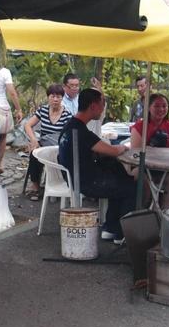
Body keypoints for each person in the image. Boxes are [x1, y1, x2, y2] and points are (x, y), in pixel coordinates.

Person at [58, 88, 135, 243]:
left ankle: (110, 228)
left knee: (119, 175)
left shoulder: (70, 126)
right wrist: (125, 146)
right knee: (131, 188)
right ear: (93, 106)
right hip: (85, 182)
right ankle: (120, 233)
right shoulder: (80, 131)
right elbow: (113, 151)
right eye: (102, 104)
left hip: (75, 177)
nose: (103, 109)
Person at [129, 93, 169, 208]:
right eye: (157, 106)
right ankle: (144, 212)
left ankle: (165, 214)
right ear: (148, 107)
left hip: (166, 168)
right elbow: (135, 153)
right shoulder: (139, 127)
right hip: (143, 167)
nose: (161, 109)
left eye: (164, 106)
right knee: (141, 179)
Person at [24, 84, 73, 201]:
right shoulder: (43, 110)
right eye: (53, 96)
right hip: (44, 144)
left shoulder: (67, 114)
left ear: (62, 98)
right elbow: (28, 125)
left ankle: (61, 184)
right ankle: (35, 187)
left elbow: (69, 134)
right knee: (34, 153)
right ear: (48, 97)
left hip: (59, 146)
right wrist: (34, 140)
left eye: (58, 97)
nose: (55, 99)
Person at [0, 67, 23, 173]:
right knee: (2, 136)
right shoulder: (4, 71)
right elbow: (12, 92)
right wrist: (18, 109)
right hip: (1, 107)